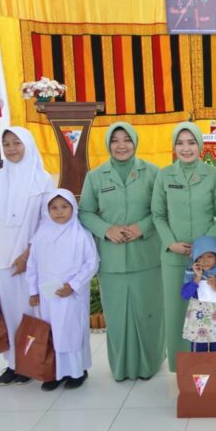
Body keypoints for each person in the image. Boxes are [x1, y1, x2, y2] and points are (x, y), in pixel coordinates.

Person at [79, 122, 165, 381]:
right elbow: (85, 212)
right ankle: (122, 367)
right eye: (115, 140)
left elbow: (161, 210)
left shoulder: (152, 173)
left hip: (146, 257)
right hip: (112, 260)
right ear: (108, 144)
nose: (121, 145)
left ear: (135, 141)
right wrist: (106, 229)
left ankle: (150, 364)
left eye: (126, 139)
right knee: (117, 316)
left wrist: (143, 227)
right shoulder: (95, 176)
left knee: (149, 313)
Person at [0, 127, 55, 386]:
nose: (11, 149)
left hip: (26, 261)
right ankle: (13, 363)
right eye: (6, 144)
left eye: (16, 143)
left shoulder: (42, 181)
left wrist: (28, 255)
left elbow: (47, 223)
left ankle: (32, 361)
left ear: (28, 145)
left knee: (29, 314)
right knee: (6, 313)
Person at [152, 121, 216, 371]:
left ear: (200, 145)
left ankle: (210, 366)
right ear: (174, 147)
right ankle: (181, 367)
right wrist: (170, 242)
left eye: (191, 142)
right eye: (180, 143)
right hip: (174, 257)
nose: (186, 148)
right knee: (176, 311)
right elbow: (157, 214)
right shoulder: (164, 175)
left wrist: (204, 247)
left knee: (209, 312)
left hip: (209, 261)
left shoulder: (213, 174)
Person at [27, 189, 99, 391]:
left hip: (71, 295)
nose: (59, 212)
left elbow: (91, 263)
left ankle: (76, 371)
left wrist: (73, 286)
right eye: (54, 208)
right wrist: (33, 291)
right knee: (51, 333)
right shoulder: (41, 235)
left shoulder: (81, 234)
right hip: (47, 296)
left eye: (64, 207)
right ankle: (54, 372)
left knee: (71, 333)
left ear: (73, 208)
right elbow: (32, 265)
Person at [180, 236, 216, 352]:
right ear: (195, 258)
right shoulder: (191, 273)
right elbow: (185, 294)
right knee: (199, 354)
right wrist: (197, 279)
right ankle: (199, 370)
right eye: (200, 257)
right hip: (198, 323)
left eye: (210, 256)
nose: (205, 260)